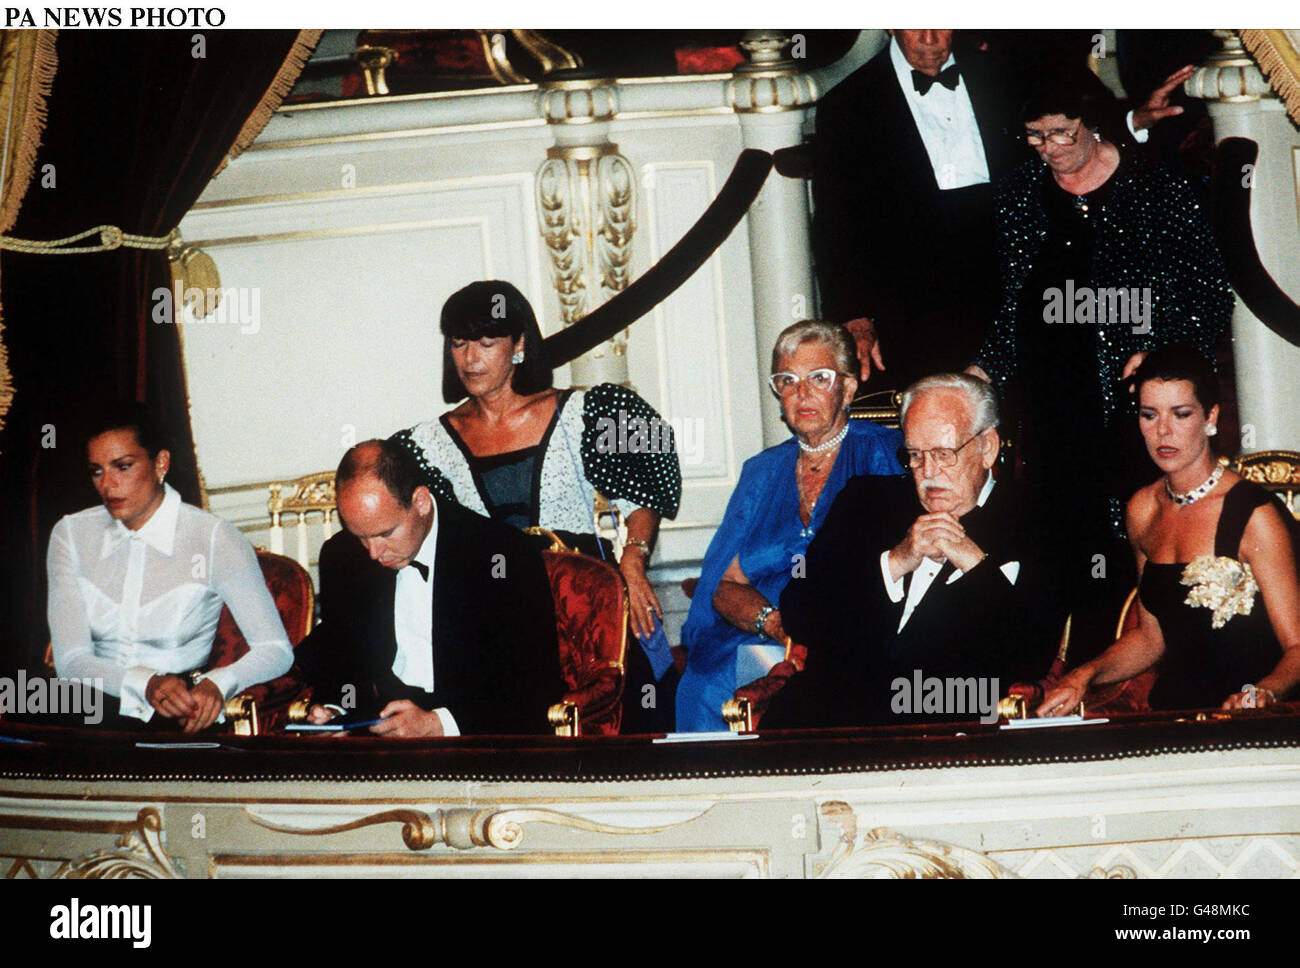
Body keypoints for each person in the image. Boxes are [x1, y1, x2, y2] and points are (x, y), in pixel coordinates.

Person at [967, 76, 1233, 661]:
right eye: (1035, 136)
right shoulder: (1019, 194)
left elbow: (1210, 295)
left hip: (1127, 399)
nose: (1050, 147)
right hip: (1048, 397)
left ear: (1093, 122)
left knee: (1124, 534)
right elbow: (1015, 300)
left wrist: (1160, 347)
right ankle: (1060, 674)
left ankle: (1132, 660)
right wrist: (984, 369)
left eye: (1062, 132)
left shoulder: (1159, 188)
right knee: (1057, 533)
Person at [812, 30, 1182, 390]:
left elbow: (1066, 128)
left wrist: (1134, 122)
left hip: (1016, 290)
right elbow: (834, 224)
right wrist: (854, 315)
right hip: (914, 309)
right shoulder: (846, 105)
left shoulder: (1001, 72)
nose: (929, 38)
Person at [391, 280, 681, 730]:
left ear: (520, 343)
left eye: (487, 342)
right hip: (492, 617)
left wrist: (633, 560)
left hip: (584, 608)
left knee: (635, 707)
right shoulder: (424, 446)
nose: (471, 358)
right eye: (460, 343)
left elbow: (647, 487)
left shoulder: (588, 411)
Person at [764, 374, 1064, 728]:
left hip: (948, 726)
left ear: (988, 448)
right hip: (828, 717)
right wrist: (894, 563)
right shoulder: (865, 501)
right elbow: (799, 611)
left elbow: (1029, 654)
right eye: (915, 456)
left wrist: (972, 561)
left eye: (944, 454)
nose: (928, 473)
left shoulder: (1041, 522)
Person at [1039, 347, 1299, 716]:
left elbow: (1298, 648)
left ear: (1210, 417)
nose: (1163, 431)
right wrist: (1084, 674)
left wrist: (1263, 694)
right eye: (1149, 415)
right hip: (1170, 716)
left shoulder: (1253, 515)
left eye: (1181, 414)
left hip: (1250, 724)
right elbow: (1150, 637)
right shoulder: (1142, 509)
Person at [675, 321, 902, 731]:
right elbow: (723, 586)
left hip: (855, 632)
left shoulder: (886, 454)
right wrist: (777, 623)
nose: (803, 393)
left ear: (848, 388)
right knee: (704, 685)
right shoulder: (760, 473)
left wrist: (818, 626)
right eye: (788, 380)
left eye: (820, 378)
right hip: (768, 634)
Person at [45, 404, 293, 731]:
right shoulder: (71, 535)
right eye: (96, 470)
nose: (107, 485)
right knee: (18, 693)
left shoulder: (214, 537)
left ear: (160, 463)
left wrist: (218, 683)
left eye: (123, 466)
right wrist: (144, 683)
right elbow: (71, 660)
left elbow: (275, 650)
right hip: (90, 704)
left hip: (179, 710)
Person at [295, 439, 563, 736]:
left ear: (421, 501)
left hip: (476, 740)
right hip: (380, 742)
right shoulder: (343, 556)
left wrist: (439, 723)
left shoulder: (500, 553)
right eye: (361, 536)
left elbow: (533, 684)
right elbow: (343, 661)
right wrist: (337, 711)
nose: (373, 552)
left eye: (385, 533)